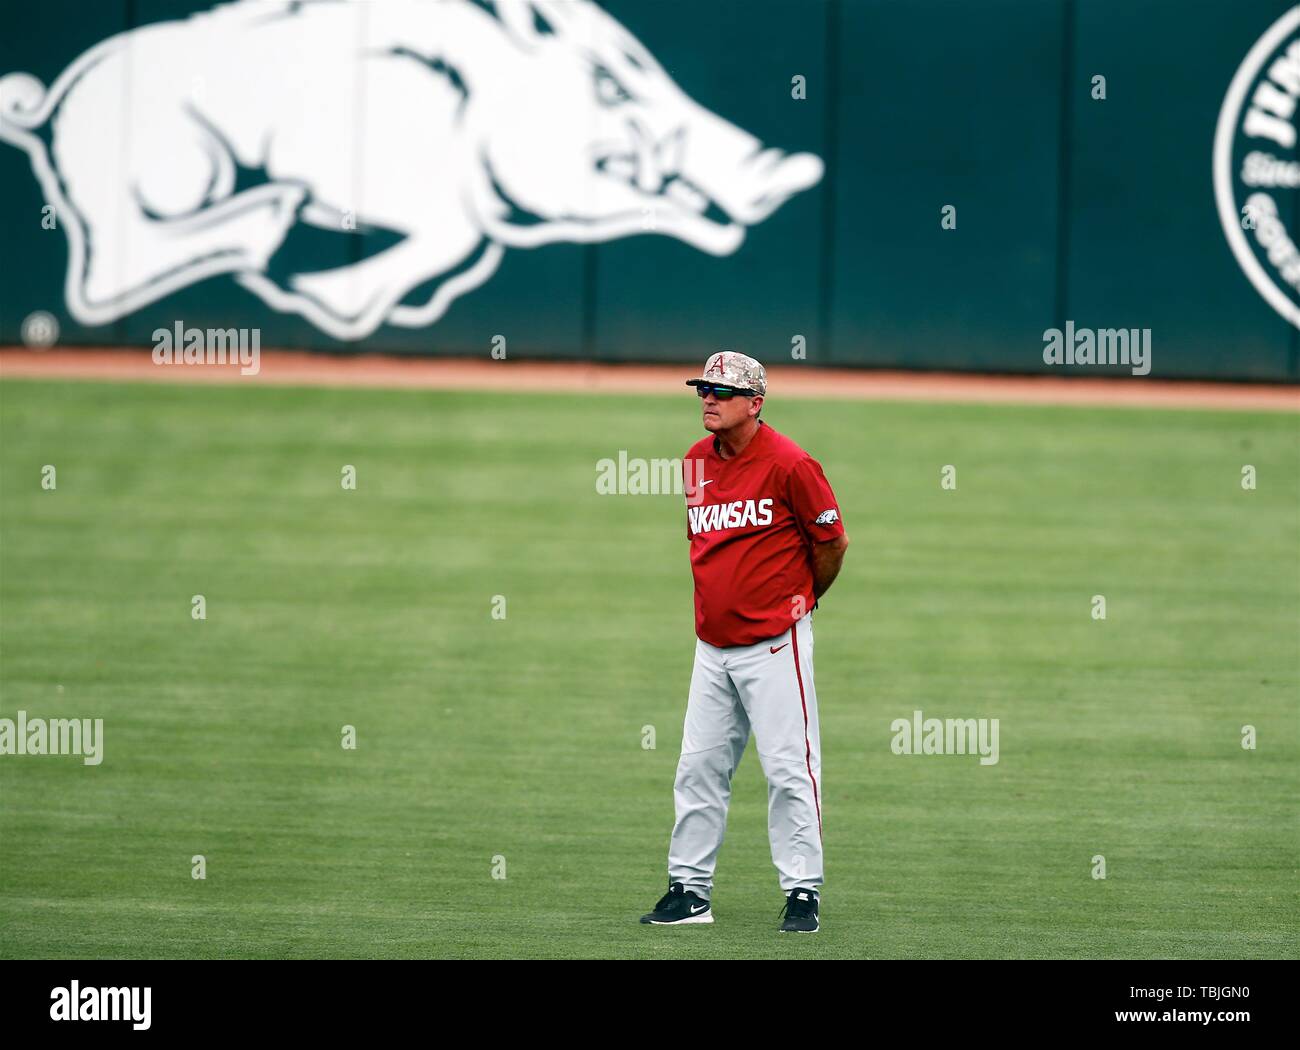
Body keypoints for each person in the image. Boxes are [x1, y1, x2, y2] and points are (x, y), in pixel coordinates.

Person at [640, 351, 849, 933]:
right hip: (711, 647)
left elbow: (831, 543)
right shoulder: (694, 462)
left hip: (773, 645)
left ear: (754, 404)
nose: (708, 398)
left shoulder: (791, 464)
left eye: (722, 392)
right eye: (703, 388)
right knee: (698, 769)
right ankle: (689, 891)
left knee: (789, 771)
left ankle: (802, 892)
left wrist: (803, 601)